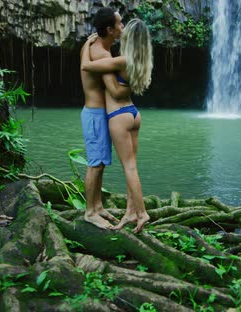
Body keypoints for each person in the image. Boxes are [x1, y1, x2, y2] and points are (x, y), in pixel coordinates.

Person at [80, 18, 153, 233]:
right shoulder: (142, 59)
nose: (121, 29)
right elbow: (123, 90)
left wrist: (85, 46)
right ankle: (130, 210)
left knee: (129, 168)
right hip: (133, 114)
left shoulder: (121, 60)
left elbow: (88, 67)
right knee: (132, 166)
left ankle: (141, 213)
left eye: (124, 28)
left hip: (119, 115)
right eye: (119, 25)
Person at [79, 7, 124, 229]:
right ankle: (89, 212)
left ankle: (97, 206)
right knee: (95, 165)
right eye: (120, 24)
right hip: (96, 115)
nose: (122, 28)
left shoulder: (91, 47)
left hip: (96, 115)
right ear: (109, 29)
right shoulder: (102, 55)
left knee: (100, 164)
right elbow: (114, 91)